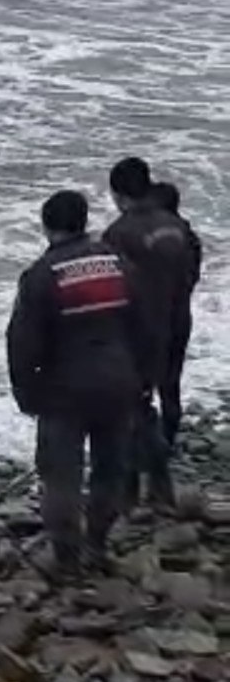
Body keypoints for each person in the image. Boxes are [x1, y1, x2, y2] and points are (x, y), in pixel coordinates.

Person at [6, 189, 145, 578]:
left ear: (47, 226)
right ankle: (97, 547)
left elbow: (22, 343)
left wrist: (25, 393)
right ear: (83, 222)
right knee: (109, 470)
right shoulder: (119, 263)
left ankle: (66, 561)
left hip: (64, 393)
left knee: (61, 476)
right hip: (119, 383)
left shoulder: (41, 275)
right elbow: (144, 324)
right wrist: (143, 377)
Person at [103, 156, 190, 507]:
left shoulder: (119, 233)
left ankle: (141, 486)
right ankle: (166, 455)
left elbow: (113, 288)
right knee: (170, 390)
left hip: (139, 331)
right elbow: (192, 271)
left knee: (134, 406)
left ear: (119, 194)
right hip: (178, 319)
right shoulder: (177, 225)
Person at [149, 180, 203, 449]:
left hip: (155, 322)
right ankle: (169, 438)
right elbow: (192, 277)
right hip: (181, 316)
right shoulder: (188, 237)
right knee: (171, 383)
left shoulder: (152, 239)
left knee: (144, 386)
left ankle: (145, 444)